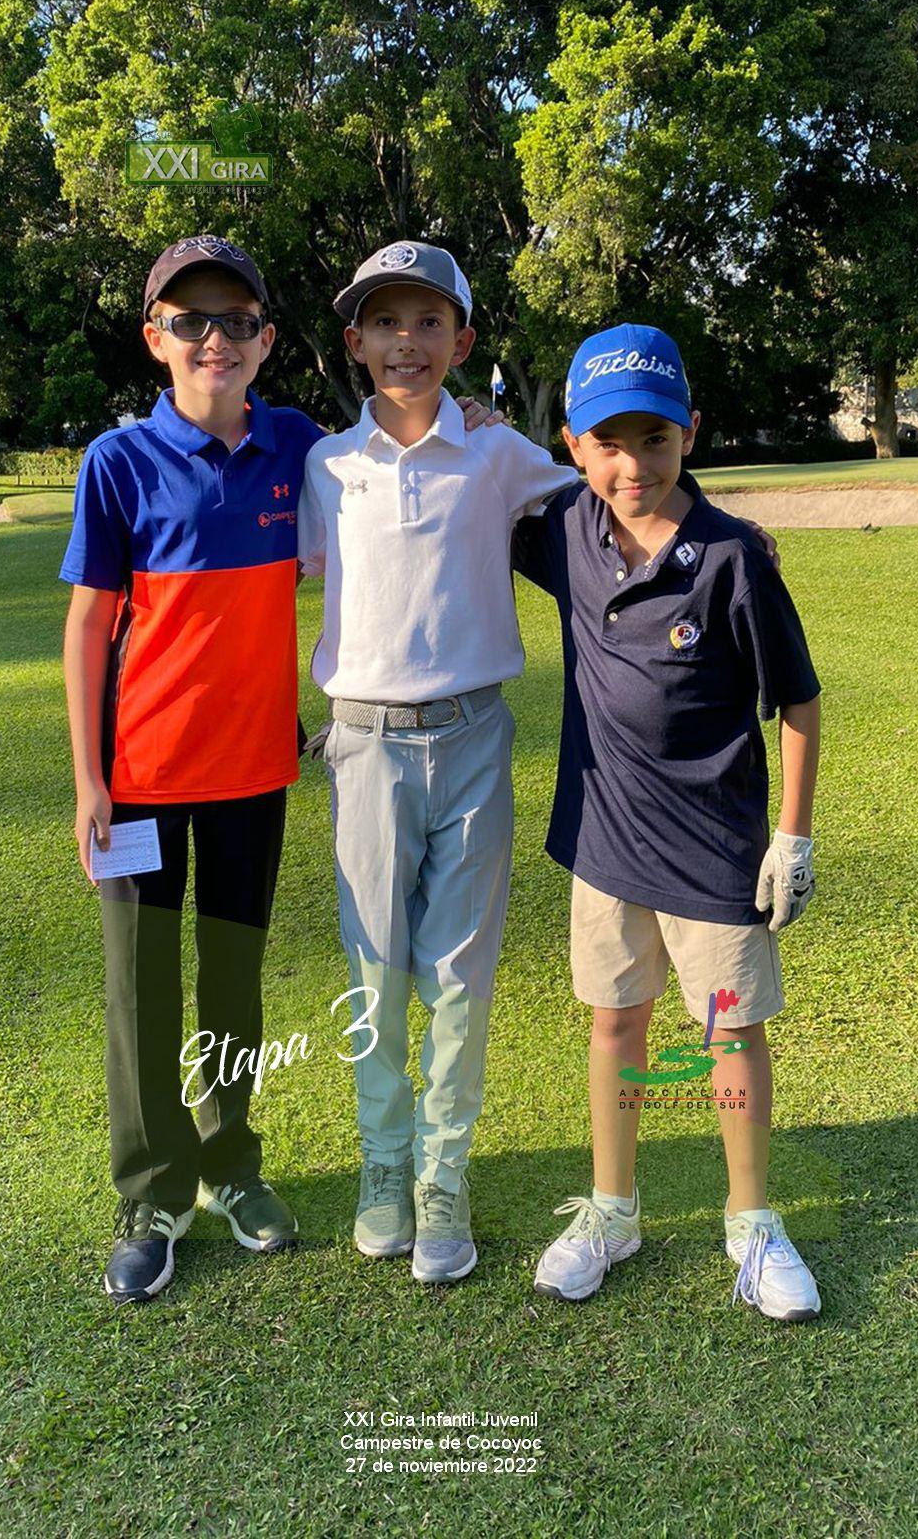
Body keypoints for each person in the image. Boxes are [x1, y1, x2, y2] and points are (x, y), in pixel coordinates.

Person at [516, 324, 822, 1320]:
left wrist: (792, 837)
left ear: (688, 431)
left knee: (728, 1032)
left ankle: (750, 1221)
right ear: (573, 446)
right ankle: (612, 1211)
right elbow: (472, 495)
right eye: (606, 443)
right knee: (615, 1021)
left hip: (716, 849)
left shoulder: (731, 557)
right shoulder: (567, 528)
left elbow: (797, 703)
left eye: (652, 439)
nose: (631, 465)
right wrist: (473, 422)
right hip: (604, 842)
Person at [297, 241, 578, 1284]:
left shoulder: (497, 454)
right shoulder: (327, 466)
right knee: (374, 967)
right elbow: (271, 580)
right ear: (354, 341)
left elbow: (608, 501)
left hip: (471, 738)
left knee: (458, 973)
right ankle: (382, 1165)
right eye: (384, 321)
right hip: (364, 744)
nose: (405, 341)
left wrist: (723, 533)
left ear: (461, 342)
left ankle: (440, 1175)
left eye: (427, 322)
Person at [60, 235, 324, 1304]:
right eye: (190, 321)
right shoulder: (117, 461)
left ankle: (229, 1166)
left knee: (231, 980)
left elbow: (402, 460)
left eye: (236, 321)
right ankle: (153, 1193)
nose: (216, 338)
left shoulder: (298, 444)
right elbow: (89, 627)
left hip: (254, 772)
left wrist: (478, 420)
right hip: (139, 778)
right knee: (141, 991)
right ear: (155, 339)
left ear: (266, 339)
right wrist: (89, 780)